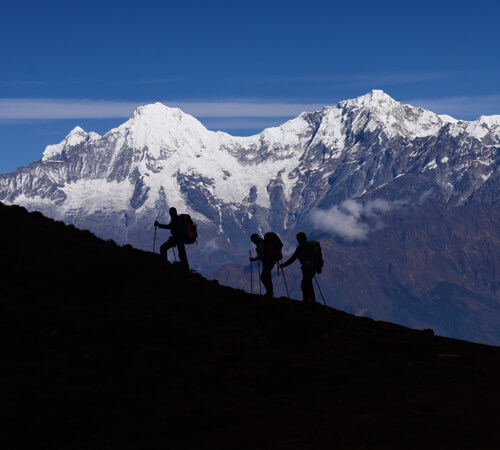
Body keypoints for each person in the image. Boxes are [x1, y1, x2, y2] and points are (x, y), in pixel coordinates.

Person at [280, 232, 322, 309]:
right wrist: (319, 268)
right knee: (308, 284)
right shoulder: (312, 246)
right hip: (312, 268)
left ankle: (308, 302)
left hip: (307, 269)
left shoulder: (300, 248)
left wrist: (284, 265)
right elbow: (318, 258)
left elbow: (292, 259)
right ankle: (311, 301)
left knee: (305, 284)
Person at [154, 207, 190, 273]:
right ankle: (186, 271)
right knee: (182, 255)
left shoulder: (175, 219)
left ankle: (164, 266)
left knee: (163, 248)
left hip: (177, 239)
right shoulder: (177, 219)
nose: (171, 214)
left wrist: (159, 225)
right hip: (179, 239)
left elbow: (170, 227)